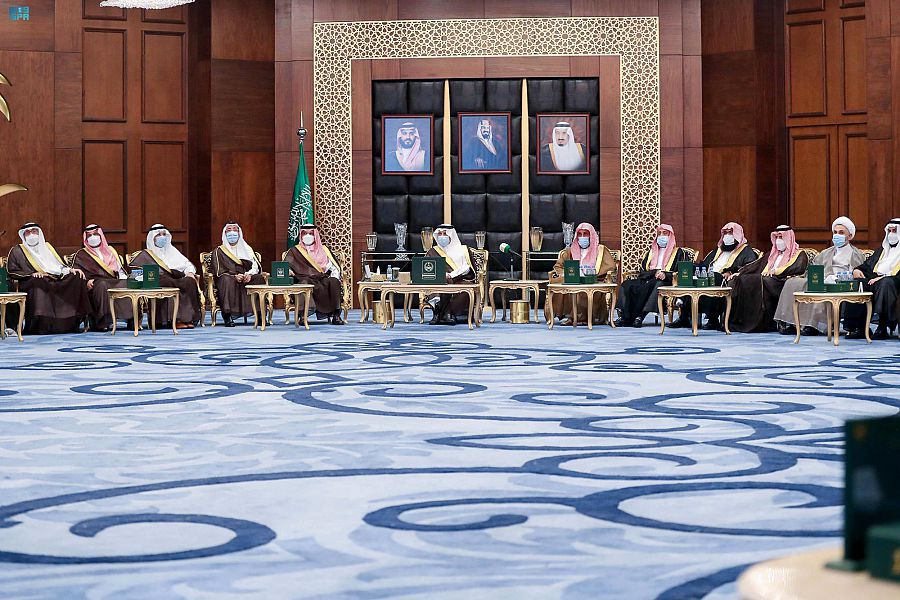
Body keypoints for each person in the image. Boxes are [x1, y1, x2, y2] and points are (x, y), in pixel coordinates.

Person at [774, 217, 865, 336]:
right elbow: (814, 269)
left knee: (821, 287)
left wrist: (836, 278)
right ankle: (789, 322)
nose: (837, 235)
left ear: (850, 236)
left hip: (839, 283)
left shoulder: (856, 254)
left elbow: (857, 273)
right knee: (792, 282)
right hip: (822, 279)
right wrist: (818, 277)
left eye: (841, 233)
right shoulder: (826, 252)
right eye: (835, 232)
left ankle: (813, 325)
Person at [5, 222, 90, 334]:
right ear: (23, 235)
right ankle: (41, 326)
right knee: (39, 281)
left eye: (34, 231)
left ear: (39, 233)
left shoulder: (48, 247)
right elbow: (12, 271)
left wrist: (70, 270)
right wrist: (32, 274)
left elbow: (58, 265)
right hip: (30, 281)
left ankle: (68, 323)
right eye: (28, 233)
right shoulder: (17, 250)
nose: (31, 235)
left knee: (76, 276)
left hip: (53, 278)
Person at [678, 222, 759, 330]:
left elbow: (748, 267)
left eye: (730, 233)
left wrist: (731, 272)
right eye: (725, 233)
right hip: (708, 275)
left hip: (724, 279)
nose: (727, 236)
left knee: (714, 277)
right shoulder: (719, 249)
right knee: (688, 271)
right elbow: (705, 264)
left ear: (737, 235)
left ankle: (713, 320)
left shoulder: (746, 251)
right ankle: (684, 317)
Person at [728, 225, 809, 333]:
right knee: (744, 279)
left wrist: (775, 271)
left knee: (762, 280)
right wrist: (740, 273)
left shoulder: (799, 254)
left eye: (781, 237)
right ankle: (747, 321)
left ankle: (763, 322)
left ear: (789, 238)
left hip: (782, 282)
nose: (778, 240)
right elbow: (755, 266)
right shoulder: (771, 254)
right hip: (767, 280)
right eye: (777, 237)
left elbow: (797, 268)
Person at [129, 224, 203, 329]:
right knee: (166, 282)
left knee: (189, 282)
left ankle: (187, 318)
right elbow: (136, 272)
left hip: (175, 277)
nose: (162, 237)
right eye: (158, 235)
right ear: (152, 238)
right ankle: (173, 320)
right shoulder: (145, 255)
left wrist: (190, 272)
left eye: (164, 234)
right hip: (160, 281)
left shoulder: (173, 251)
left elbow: (187, 265)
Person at [615, 224, 688, 327]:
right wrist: (654, 272)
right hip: (648, 278)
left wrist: (665, 275)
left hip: (666, 281)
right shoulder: (651, 252)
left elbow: (681, 272)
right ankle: (624, 316)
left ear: (670, 236)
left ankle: (640, 315)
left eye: (664, 233)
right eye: (659, 234)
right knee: (626, 284)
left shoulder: (679, 253)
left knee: (656, 285)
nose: (661, 236)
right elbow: (642, 271)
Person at [545, 222, 615, 325]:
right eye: (580, 234)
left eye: (585, 234)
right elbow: (558, 266)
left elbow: (610, 266)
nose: (582, 237)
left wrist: (591, 274)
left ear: (591, 235)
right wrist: (565, 273)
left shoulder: (601, 251)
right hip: (573, 282)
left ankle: (579, 318)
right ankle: (567, 315)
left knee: (583, 289)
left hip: (593, 282)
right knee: (560, 284)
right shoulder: (570, 251)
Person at [845, 218, 900, 340]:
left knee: (886, 283)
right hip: (875, 280)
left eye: (894, 231)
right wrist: (857, 270)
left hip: (893, 282)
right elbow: (867, 265)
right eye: (889, 231)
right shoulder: (882, 250)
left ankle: (882, 326)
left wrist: (883, 277)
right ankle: (858, 327)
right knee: (858, 283)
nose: (891, 234)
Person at [72, 224, 130, 332]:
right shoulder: (81, 254)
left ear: (100, 236)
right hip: (95, 283)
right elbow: (77, 273)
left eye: (95, 234)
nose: (93, 237)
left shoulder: (110, 251)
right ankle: (102, 322)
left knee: (127, 283)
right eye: (89, 236)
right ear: (86, 239)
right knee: (102, 285)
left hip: (113, 280)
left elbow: (119, 270)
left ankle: (132, 320)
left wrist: (126, 278)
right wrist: (86, 282)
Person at [285, 224, 345, 325]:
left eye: (311, 233)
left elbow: (334, 268)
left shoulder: (324, 250)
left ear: (315, 235)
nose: (308, 236)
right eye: (305, 233)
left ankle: (336, 315)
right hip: (303, 278)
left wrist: (335, 277)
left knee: (333, 282)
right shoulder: (295, 251)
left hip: (321, 277)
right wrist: (289, 271)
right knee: (304, 283)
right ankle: (303, 315)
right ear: (301, 235)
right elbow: (286, 266)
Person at [212, 222, 266, 327]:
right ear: (225, 233)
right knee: (226, 280)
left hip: (246, 277)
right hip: (229, 277)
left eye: (235, 230)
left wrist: (249, 274)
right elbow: (218, 270)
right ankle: (227, 316)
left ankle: (260, 316)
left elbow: (255, 266)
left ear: (239, 233)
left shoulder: (247, 249)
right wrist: (234, 276)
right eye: (229, 230)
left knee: (259, 278)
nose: (232, 233)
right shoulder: (219, 251)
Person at [425, 224, 478, 325]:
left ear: (451, 235)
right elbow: (428, 269)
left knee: (465, 290)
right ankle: (442, 314)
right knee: (439, 284)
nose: (442, 236)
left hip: (460, 279)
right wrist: (442, 275)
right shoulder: (433, 251)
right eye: (439, 234)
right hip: (440, 280)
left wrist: (451, 275)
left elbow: (466, 268)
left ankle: (444, 314)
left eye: (444, 233)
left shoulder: (463, 250)